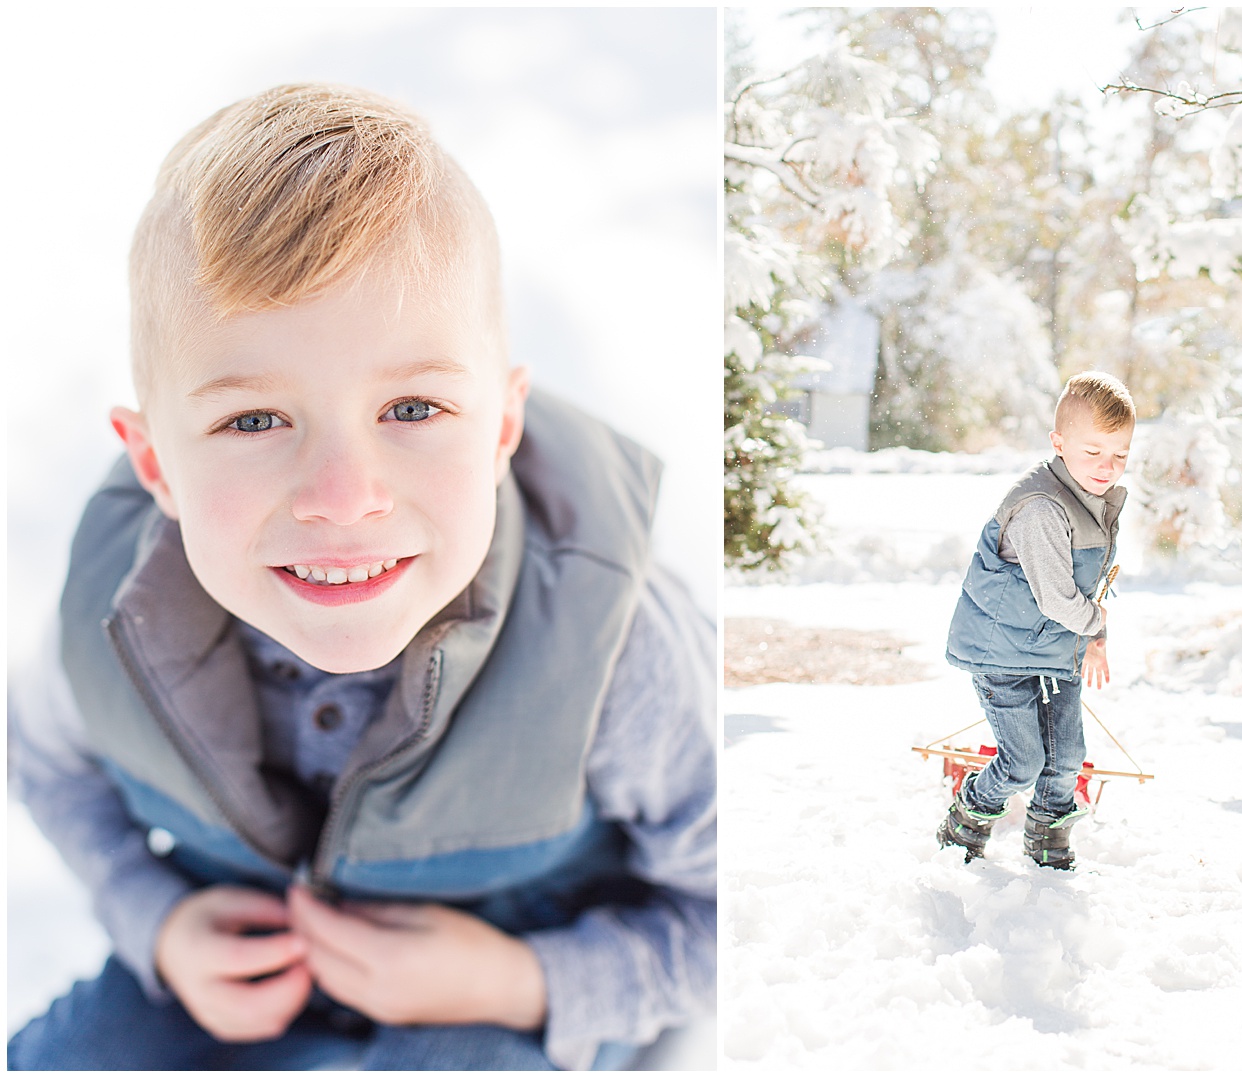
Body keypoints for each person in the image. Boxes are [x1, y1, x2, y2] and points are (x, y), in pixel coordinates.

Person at [7, 83, 715, 1071]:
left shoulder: (613, 649)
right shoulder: (110, 626)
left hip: (509, 995)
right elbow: (48, 766)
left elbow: (733, 916)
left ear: (501, 427)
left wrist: (520, 980)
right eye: (254, 421)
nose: (342, 497)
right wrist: (155, 920)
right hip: (240, 984)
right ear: (157, 464)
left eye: (414, 409)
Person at [935, 372, 1134, 870]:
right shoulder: (1043, 508)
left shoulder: (1089, 498)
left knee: (1066, 758)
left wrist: (1090, 638)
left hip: (1053, 648)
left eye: (1120, 455)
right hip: (1003, 654)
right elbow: (1058, 599)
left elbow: (1082, 588)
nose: (1107, 467)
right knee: (1023, 762)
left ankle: (1048, 837)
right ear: (1059, 443)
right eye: (1093, 453)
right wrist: (1098, 626)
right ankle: (969, 817)